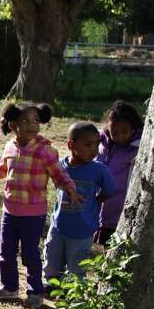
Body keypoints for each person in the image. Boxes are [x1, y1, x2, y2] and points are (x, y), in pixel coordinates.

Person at [0, 102, 81, 309]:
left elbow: (59, 174)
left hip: (33, 214)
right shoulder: (10, 147)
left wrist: (70, 189)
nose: (31, 125)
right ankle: (9, 288)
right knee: (6, 252)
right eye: (25, 120)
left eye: (36, 120)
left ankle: (35, 291)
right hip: (9, 212)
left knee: (30, 253)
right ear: (12, 125)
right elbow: (0, 171)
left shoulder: (46, 151)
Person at [44, 122, 116, 287]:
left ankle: (75, 294)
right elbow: (57, 186)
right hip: (58, 226)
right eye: (88, 144)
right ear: (71, 145)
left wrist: (96, 202)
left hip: (83, 230)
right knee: (52, 261)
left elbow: (109, 190)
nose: (94, 149)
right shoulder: (60, 166)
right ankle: (51, 287)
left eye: (97, 144)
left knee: (77, 267)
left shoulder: (99, 170)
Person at [94, 101, 142, 245]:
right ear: (108, 127)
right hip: (95, 209)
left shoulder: (138, 148)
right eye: (115, 132)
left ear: (133, 128)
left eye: (125, 131)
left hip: (119, 213)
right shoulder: (99, 142)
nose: (120, 136)